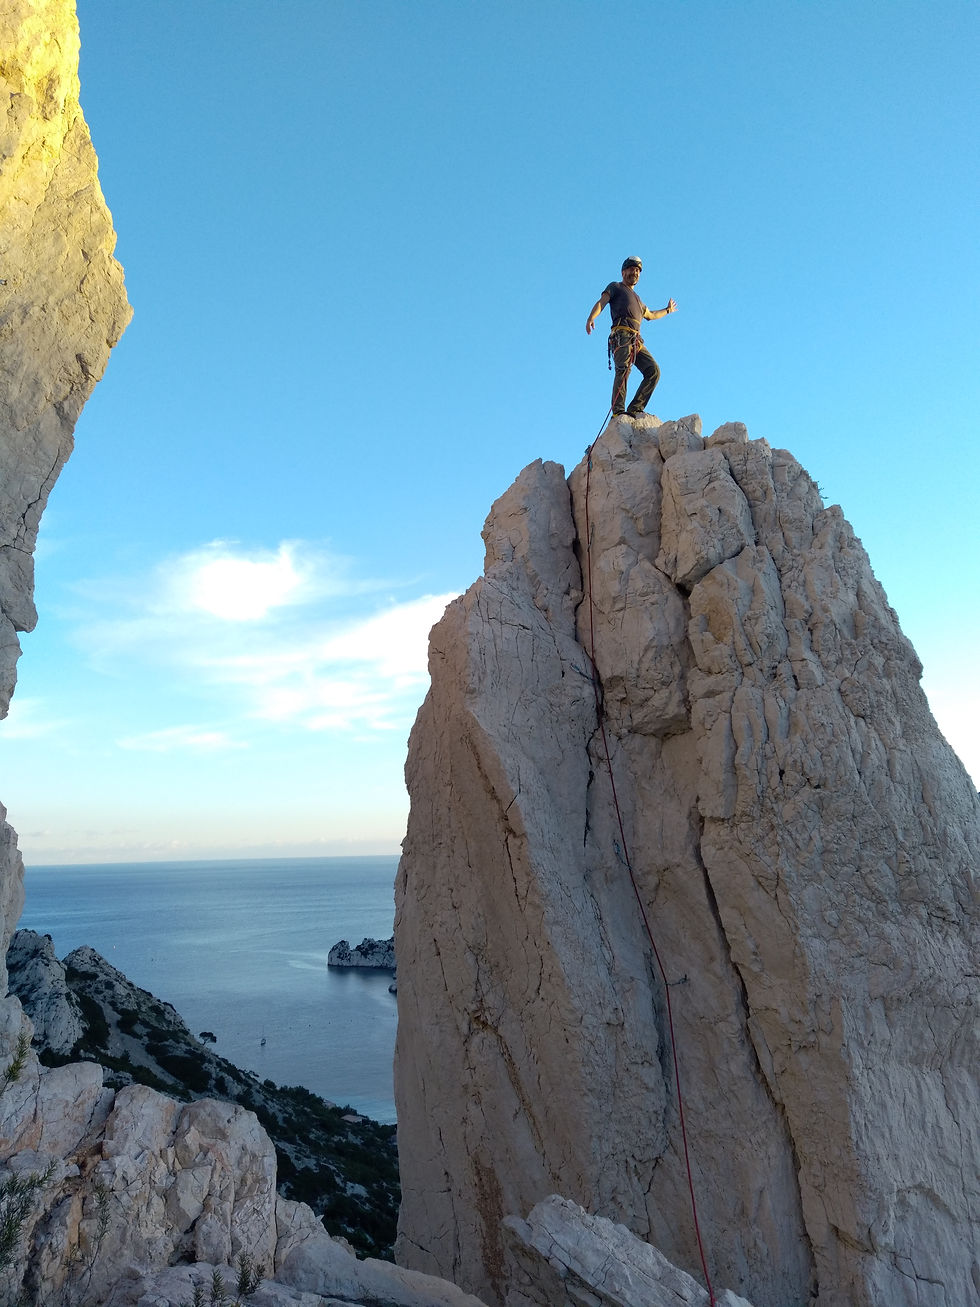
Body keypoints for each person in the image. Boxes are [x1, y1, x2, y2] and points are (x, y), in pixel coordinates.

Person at [585, 257, 677, 418]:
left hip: (636, 340)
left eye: (637, 270)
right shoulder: (616, 287)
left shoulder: (638, 300)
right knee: (623, 370)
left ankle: (635, 408)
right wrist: (591, 317)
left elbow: (651, 315)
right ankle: (618, 412)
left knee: (653, 371)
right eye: (631, 269)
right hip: (622, 335)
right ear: (623, 272)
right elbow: (602, 302)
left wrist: (667, 310)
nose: (634, 272)